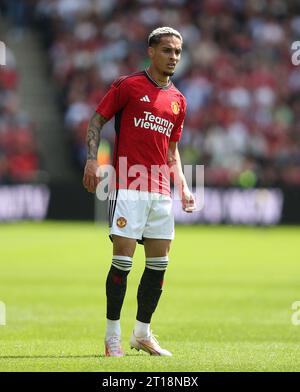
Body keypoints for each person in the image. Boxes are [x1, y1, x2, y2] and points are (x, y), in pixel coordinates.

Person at [83, 26, 195, 357]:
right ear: (151, 51)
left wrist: (184, 188)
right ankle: (112, 336)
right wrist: (92, 160)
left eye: (177, 51)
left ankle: (142, 334)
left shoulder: (178, 101)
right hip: (129, 187)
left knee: (159, 266)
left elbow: (172, 150)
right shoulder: (128, 86)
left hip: (161, 192)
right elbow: (96, 120)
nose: (173, 56)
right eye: (167, 50)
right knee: (122, 263)